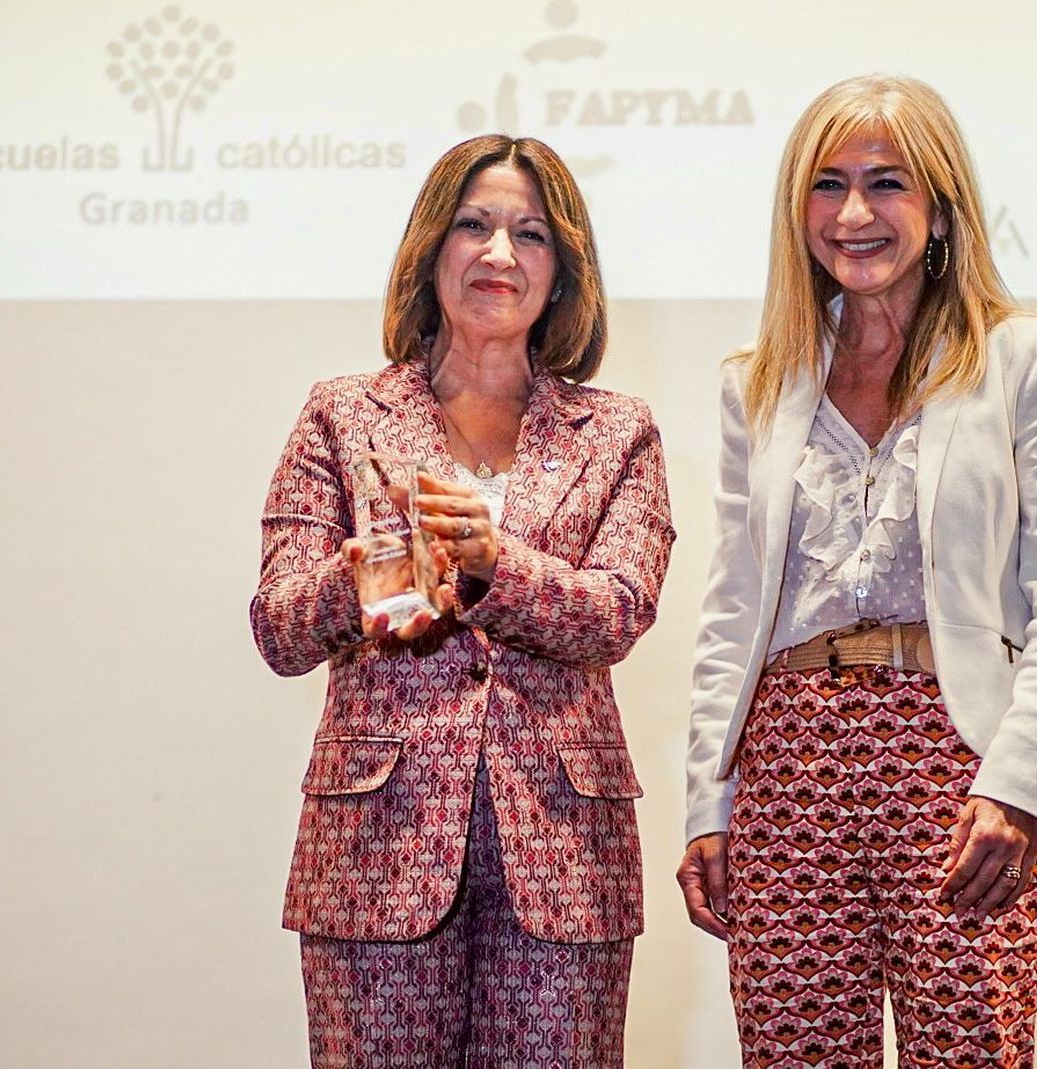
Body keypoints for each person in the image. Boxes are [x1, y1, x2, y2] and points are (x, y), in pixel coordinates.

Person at [678, 75, 1037, 1067]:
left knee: (970, 1049)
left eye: (888, 182)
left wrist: (1019, 787)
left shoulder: (1030, 360)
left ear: (942, 203)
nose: (855, 213)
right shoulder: (756, 380)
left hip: (957, 761)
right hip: (786, 763)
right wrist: (711, 800)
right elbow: (731, 608)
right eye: (827, 185)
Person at [250, 134, 674, 1068]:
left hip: (564, 852)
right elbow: (278, 625)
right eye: (473, 225)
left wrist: (491, 565)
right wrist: (362, 575)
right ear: (430, 248)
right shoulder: (342, 413)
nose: (497, 254)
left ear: (562, 272)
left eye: (529, 234)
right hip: (375, 844)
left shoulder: (619, 432)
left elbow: (618, 610)